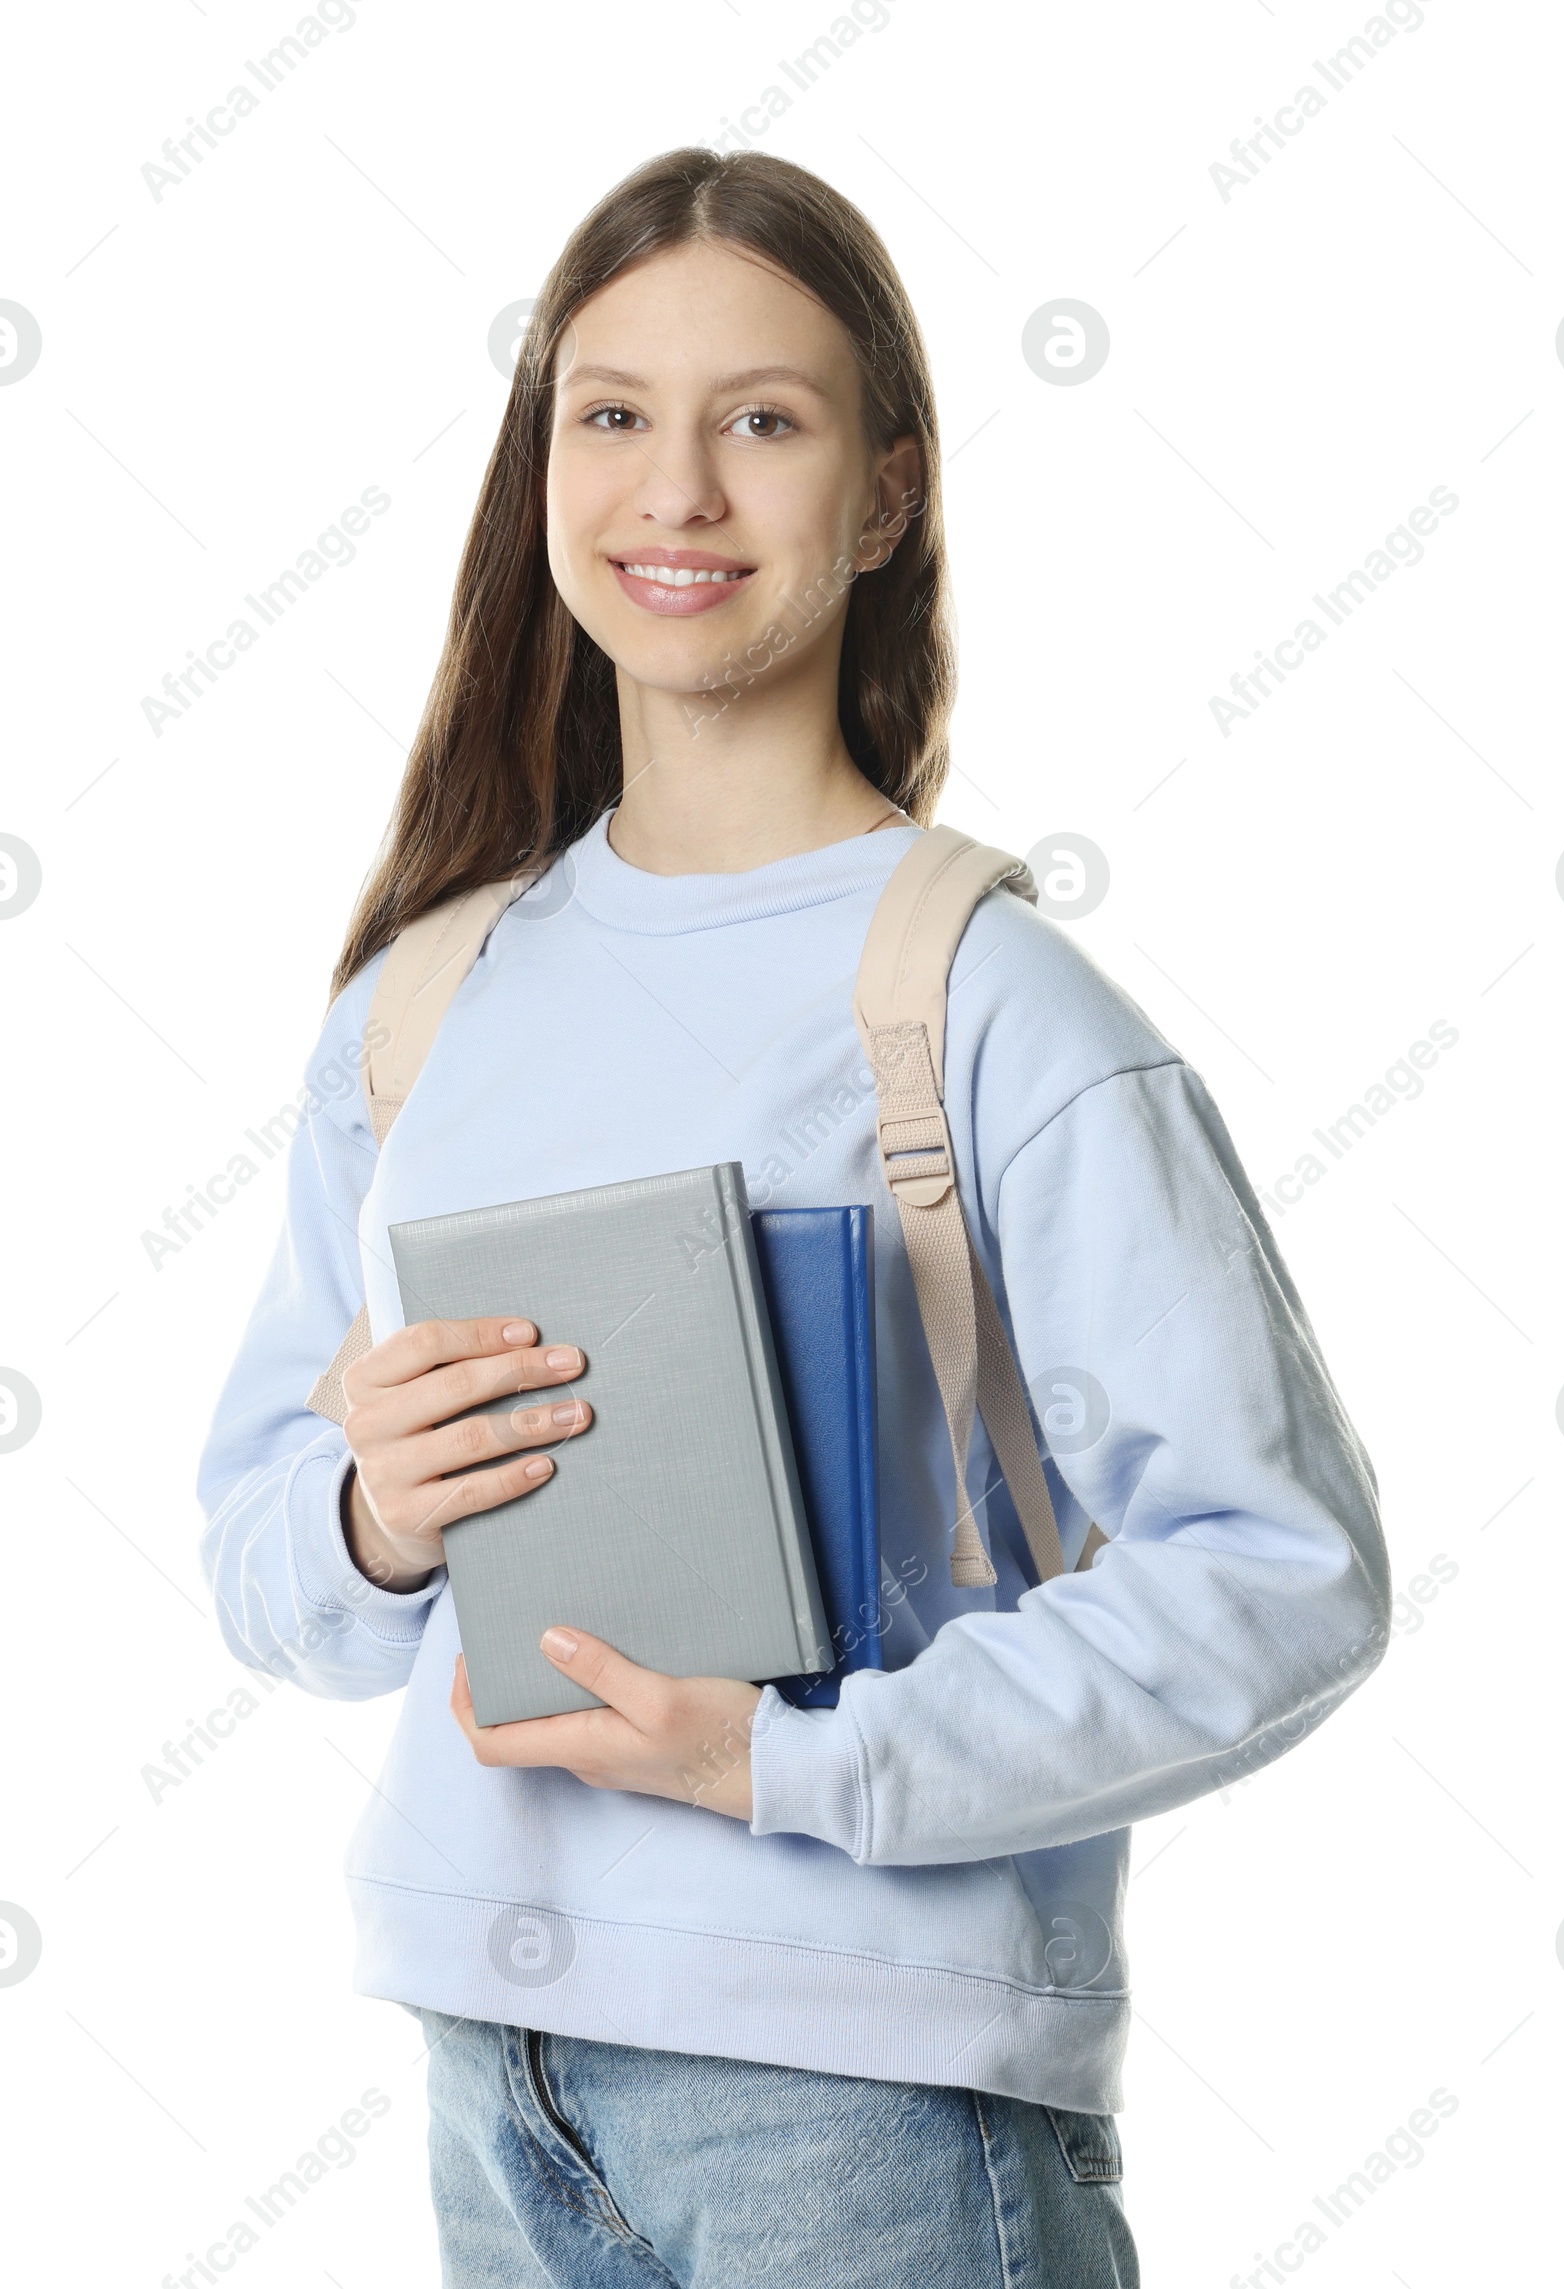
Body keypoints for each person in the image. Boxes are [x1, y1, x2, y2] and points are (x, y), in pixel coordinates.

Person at [198, 146, 1389, 2287]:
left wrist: (793, 1759)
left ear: (883, 494)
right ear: (539, 464)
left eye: (762, 419)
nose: (674, 492)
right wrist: (376, 1511)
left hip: (862, 2105)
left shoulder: (985, 1000)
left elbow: (1278, 1572)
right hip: (497, 2070)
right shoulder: (420, 999)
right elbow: (265, 1560)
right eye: (612, 415)